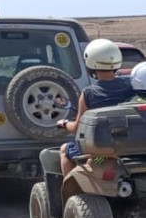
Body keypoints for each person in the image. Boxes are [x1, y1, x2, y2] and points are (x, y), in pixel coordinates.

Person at [55, 39, 134, 175]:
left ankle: (72, 192)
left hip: (101, 147)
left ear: (90, 63)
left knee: (64, 150)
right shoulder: (130, 86)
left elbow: (77, 129)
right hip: (128, 144)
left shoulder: (89, 94)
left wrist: (64, 123)